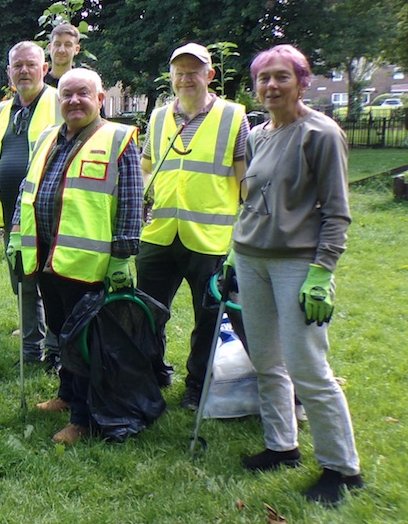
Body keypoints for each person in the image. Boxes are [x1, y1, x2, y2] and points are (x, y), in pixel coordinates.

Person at [233, 44, 362, 506]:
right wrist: (233, 254)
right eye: (263, 77)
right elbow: (252, 199)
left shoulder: (321, 134)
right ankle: (281, 446)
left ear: (302, 82)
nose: (271, 85)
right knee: (266, 361)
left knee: (308, 369)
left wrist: (321, 273)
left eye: (281, 77)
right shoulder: (258, 133)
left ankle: (341, 469)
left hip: (297, 265)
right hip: (251, 258)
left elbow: (338, 214)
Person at [6, 68, 143, 444]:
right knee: (60, 330)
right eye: (66, 95)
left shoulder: (118, 140)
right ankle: (67, 396)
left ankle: (84, 419)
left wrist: (122, 255)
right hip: (48, 258)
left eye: (83, 94)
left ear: (100, 99)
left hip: (89, 264)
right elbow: (27, 191)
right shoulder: (49, 137)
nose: (74, 101)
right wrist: (17, 237)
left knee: (83, 341)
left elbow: (131, 202)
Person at [136, 43, 250, 408]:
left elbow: (246, 182)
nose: (186, 79)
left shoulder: (234, 117)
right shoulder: (156, 118)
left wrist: (247, 232)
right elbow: (145, 170)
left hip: (210, 239)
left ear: (210, 75)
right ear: (171, 77)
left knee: (207, 320)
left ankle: (197, 387)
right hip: (159, 235)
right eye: (179, 72)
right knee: (148, 313)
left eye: (194, 72)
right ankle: (154, 373)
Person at [0, 41, 61, 364]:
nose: (24, 71)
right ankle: (32, 351)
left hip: (50, 212)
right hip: (13, 214)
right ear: (9, 72)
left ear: (44, 68)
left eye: (31, 64)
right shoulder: (4, 109)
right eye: (17, 65)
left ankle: (58, 351)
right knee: (23, 283)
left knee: (54, 285)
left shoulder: (59, 101)